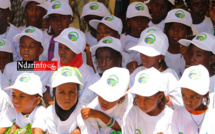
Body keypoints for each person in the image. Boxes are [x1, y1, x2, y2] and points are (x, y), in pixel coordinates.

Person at [130, 30, 183, 109]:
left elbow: (179, 103)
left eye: (148, 53)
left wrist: (162, 98)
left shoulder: (169, 75)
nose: (144, 57)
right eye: (142, 52)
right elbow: (130, 96)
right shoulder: (138, 72)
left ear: (161, 56)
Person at [2, 26, 52, 105]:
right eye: (23, 46)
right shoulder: (10, 67)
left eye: (31, 46)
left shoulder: (48, 67)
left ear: (40, 50)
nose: (26, 49)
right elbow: (4, 92)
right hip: (12, 110)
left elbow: (47, 94)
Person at [80, 36, 131, 105]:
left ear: (119, 59)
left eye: (108, 59)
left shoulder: (126, 79)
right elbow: (83, 103)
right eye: (100, 59)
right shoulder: (95, 79)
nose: (103, 64)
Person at [48, 27, 95, 100]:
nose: (62, 52)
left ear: (78, 51)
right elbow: (33, 66)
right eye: (60, 47)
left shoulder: (88, 73)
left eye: (67, 48)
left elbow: (85, 102)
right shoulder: (54, 62)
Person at [123, 67, 173, 133]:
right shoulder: (131, 114)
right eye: (138, 97)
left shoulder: (171, 118)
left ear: (160, 96)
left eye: (147, 98)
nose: (142, 103)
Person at [81, 67, 130, 134]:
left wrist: (100, 115)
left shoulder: (128, 102)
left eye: (110, 97)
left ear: (121, 97)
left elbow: (124, 127)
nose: (104, 101)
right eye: (102, 95)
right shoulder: (92, 109)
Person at [46, 66, 93, 133]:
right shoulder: (49, 112)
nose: (67, 97)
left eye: (72, 92)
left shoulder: (82, 111)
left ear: (77, 92)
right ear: (54, 93)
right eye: (62, 92)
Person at [171, 65, 215, 133]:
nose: (188, 102)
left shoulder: (212, 117)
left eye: (194, 97)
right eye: (184, 95)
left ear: (205, 94)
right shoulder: (178, 114)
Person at [164, 8, 197, 77]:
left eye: (181, 28)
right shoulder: (160, 51)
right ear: (167, 30)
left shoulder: (192, 53)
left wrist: (188, 60)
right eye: (172, 28)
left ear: (187, 31)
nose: (176, 32)